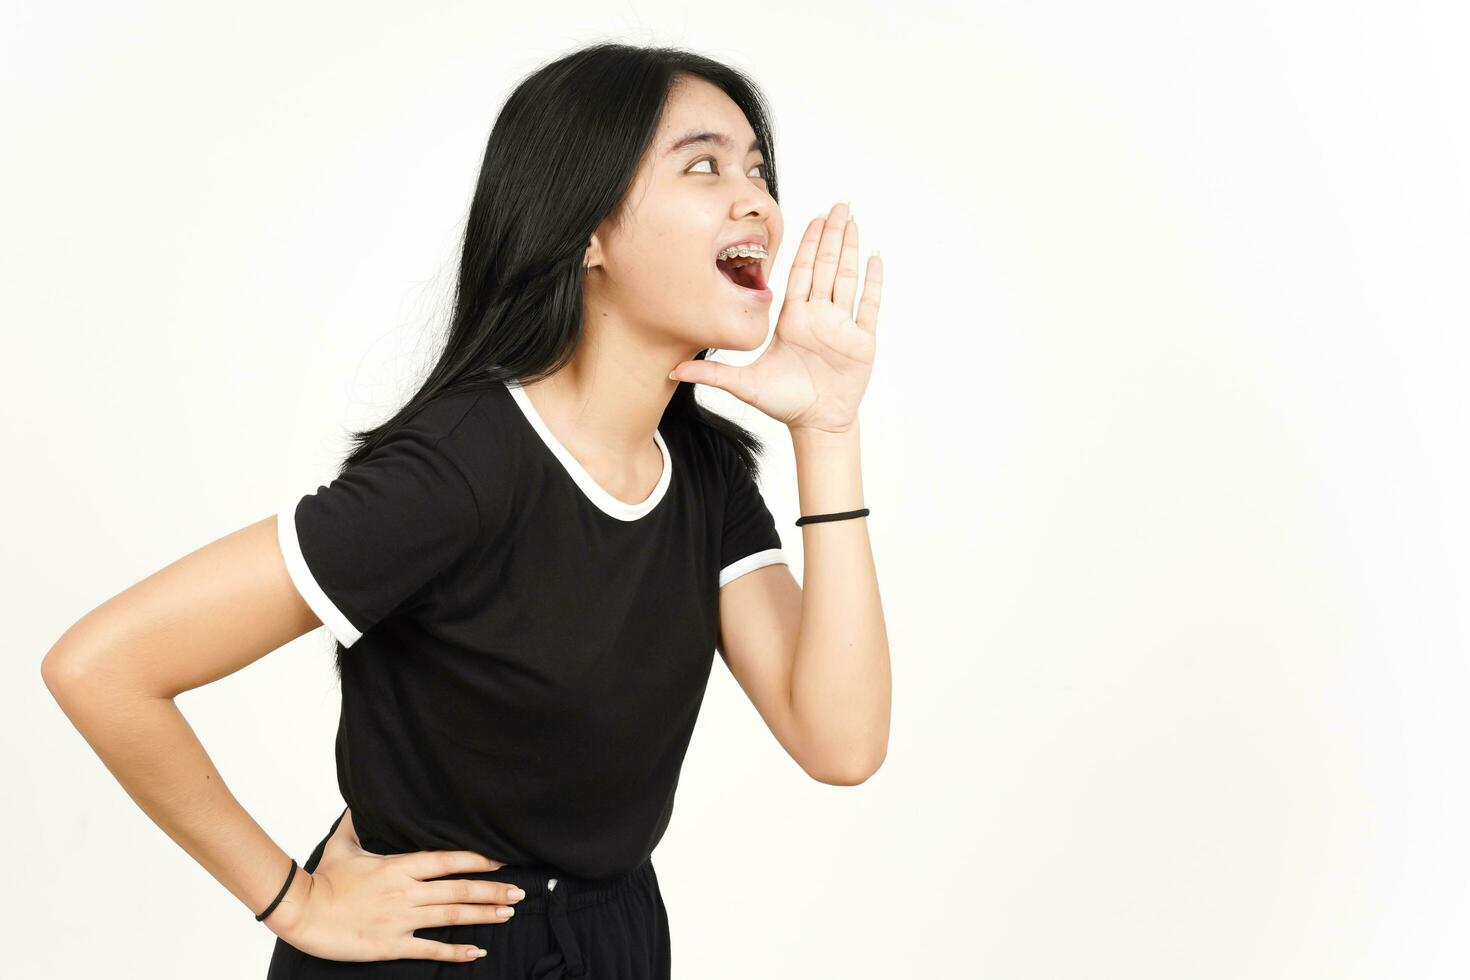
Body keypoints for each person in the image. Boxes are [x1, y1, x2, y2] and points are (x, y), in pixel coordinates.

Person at [40, 40, 890, 978]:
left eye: (757, 170)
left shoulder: (700, 472)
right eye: (704, 166)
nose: (757, 203)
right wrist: (295, 901)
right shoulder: (460, 468)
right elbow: (103, 666)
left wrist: (829, 429)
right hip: (433, 953)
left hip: (615, 940)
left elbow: (840, 740)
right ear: (585, 232)